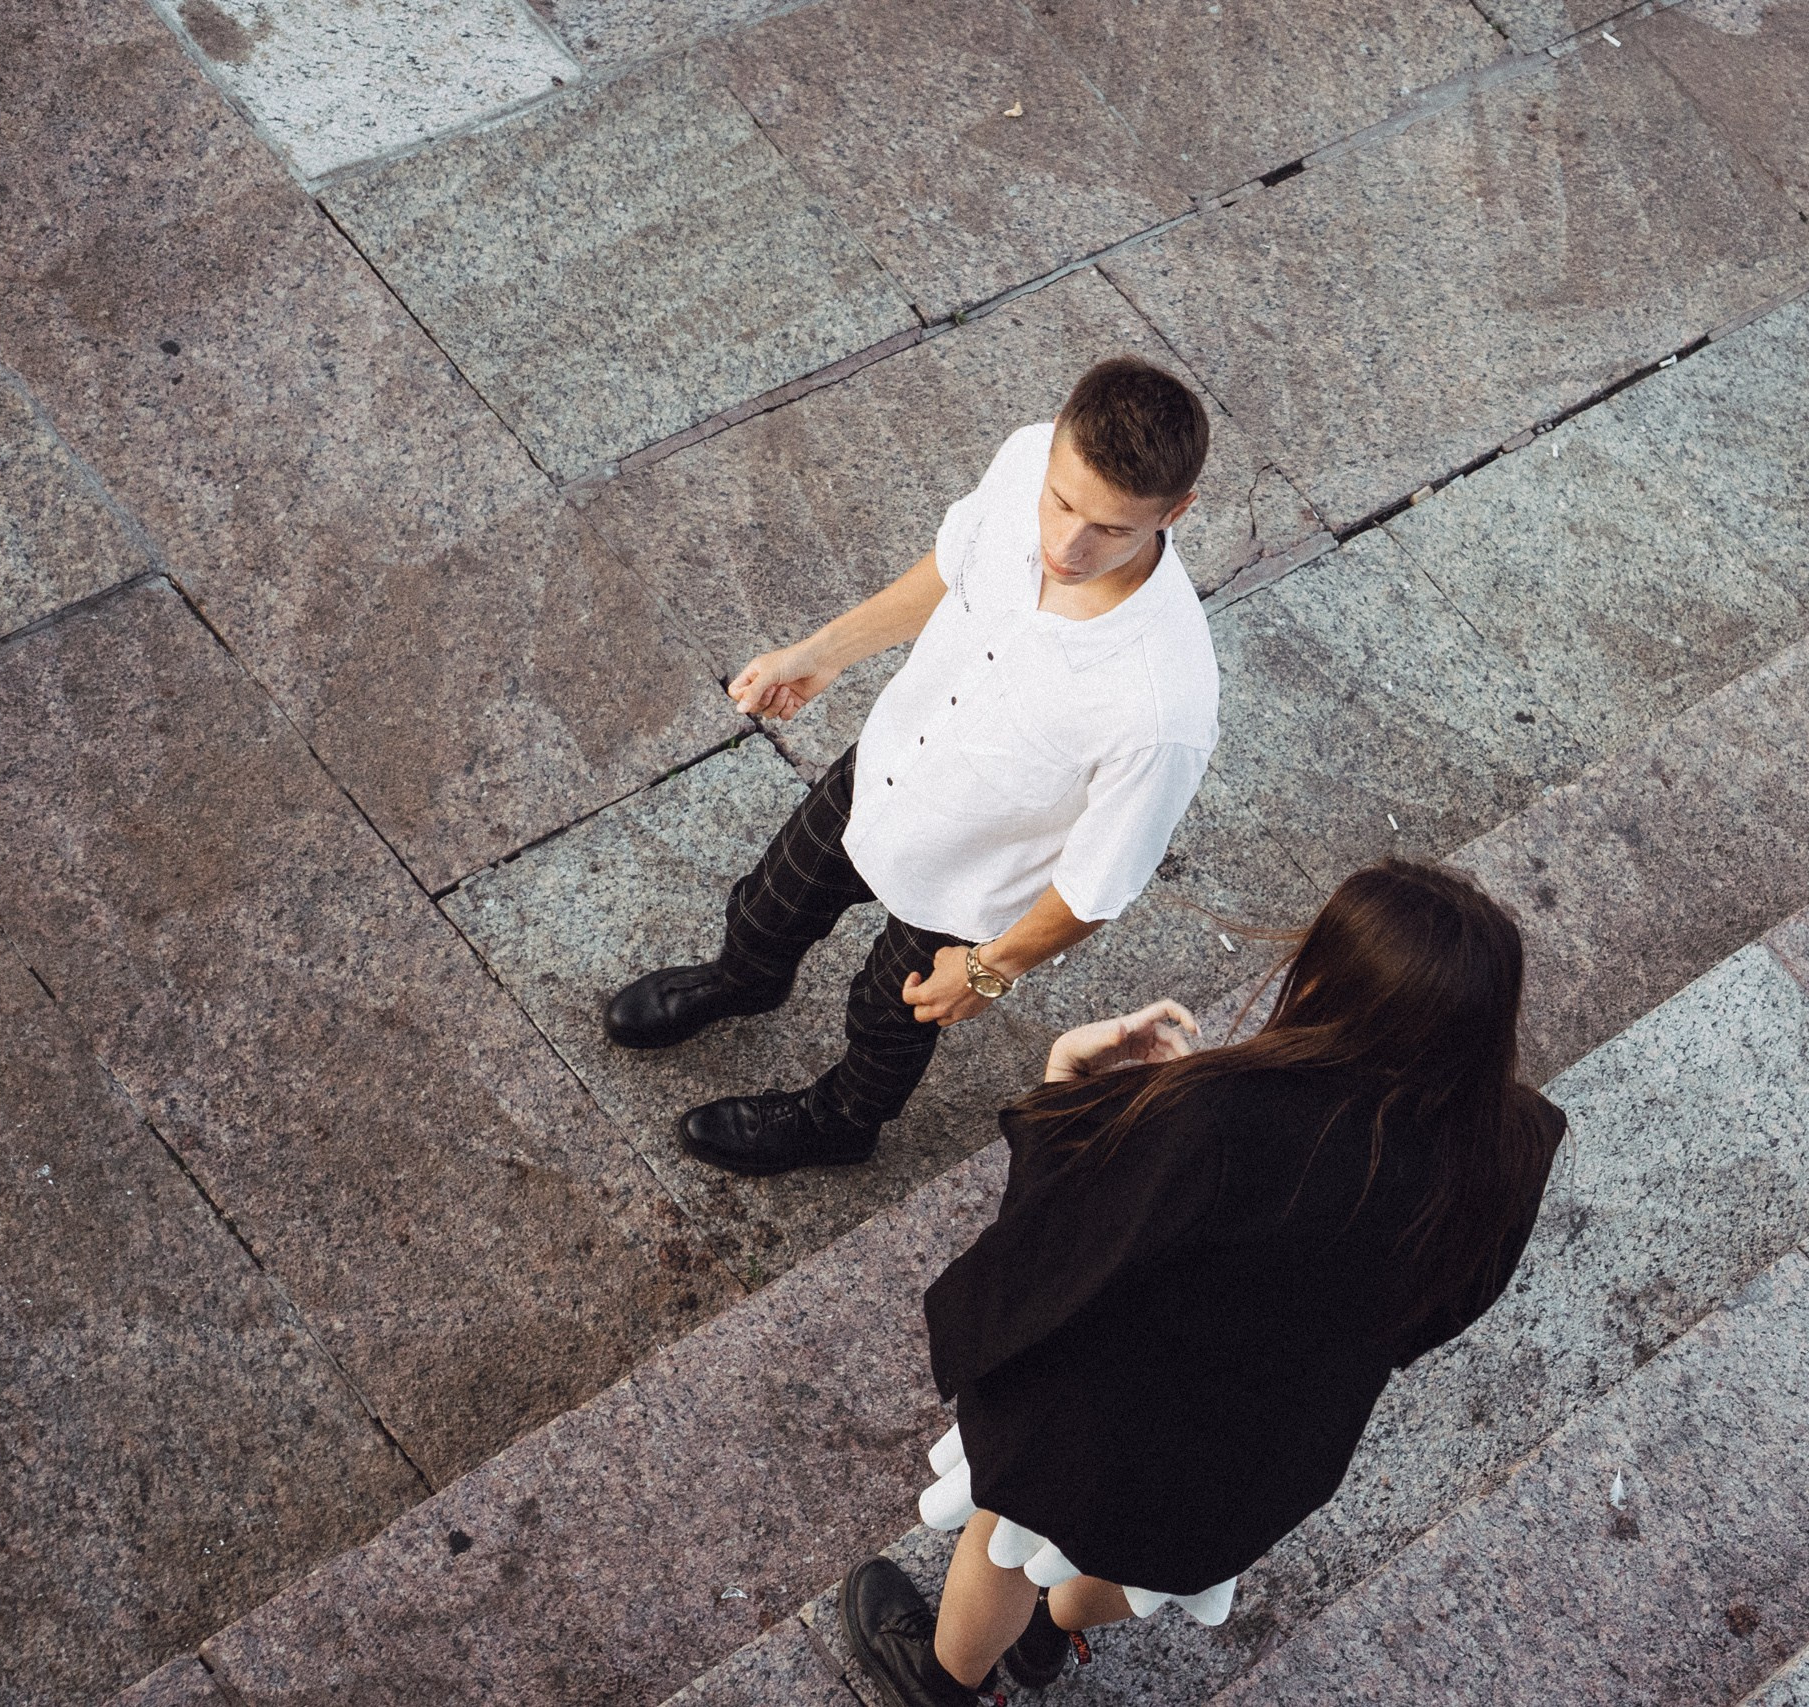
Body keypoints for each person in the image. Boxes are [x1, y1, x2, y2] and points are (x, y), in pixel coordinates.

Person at [841, 860, 1570, 1705]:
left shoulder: (1219, 1115)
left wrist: (1065, 1089)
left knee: (1006, 1538)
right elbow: (1436, 1315)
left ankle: (941, 1683)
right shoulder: (1516, 1147)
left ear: (1327, 982)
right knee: (1142, 1565)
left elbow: (1062, 1242)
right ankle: (1046, 1635)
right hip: (1264, 1454)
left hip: (1101, 1423)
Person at [603, 358, 1220, 1172]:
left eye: (1110, 529)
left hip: (973, 880)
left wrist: (991, 969)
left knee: (886, 1017)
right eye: (1062, 502)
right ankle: (744, 981)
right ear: (1053, 447)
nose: (1066, 545)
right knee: (769, 905)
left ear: (1177, 511)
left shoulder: (1163, 703)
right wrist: (823, 652)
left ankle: (840, 1125)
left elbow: (1098, 883)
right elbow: (951, 568)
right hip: (891, 764)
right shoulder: (1026, 457)